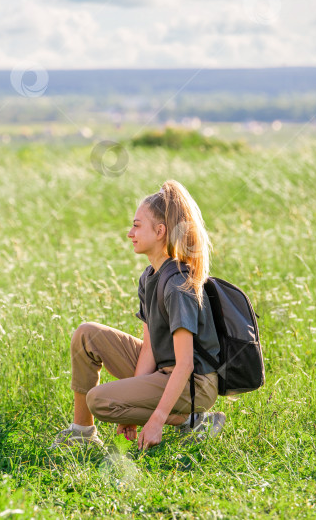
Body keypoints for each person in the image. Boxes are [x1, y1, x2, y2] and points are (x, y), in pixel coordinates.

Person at [52, 180, 224, 449]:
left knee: (98, 399)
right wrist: (129, 406)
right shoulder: (150, 277)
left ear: (159, 231)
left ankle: (192, 421)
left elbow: (186, 363)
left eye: (136, 225)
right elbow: (150, 349)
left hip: (193, 384)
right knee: (87, 334)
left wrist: (154, 419)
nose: (130, 233)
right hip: (163, 371)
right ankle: (82, 434)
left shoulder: (178, 284)